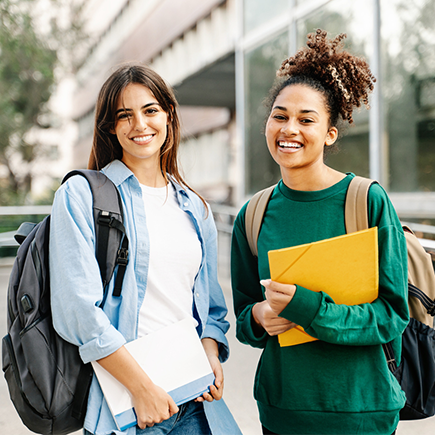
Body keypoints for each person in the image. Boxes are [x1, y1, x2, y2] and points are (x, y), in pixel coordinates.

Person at [231, 29, 409, 435]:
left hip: (361, 413)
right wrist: (259, 316)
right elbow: (244, 318)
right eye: (280, 116)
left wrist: (310, 310)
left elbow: (392, 315)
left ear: (329, 133)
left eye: (306, 119)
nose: (289, 128)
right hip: (282, 414)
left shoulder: (366, 201)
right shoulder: (253, 214)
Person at [49, 63, 233, 435]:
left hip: (196, 402)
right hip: (128, 407)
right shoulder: (82, 196)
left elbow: (210, 307)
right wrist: (141, 388)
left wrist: (211, 352)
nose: (140, 125)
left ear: (168, 116)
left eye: (150, 110)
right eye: (124, 116)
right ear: (111, 128)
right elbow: (78, 311)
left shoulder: (195, 208)